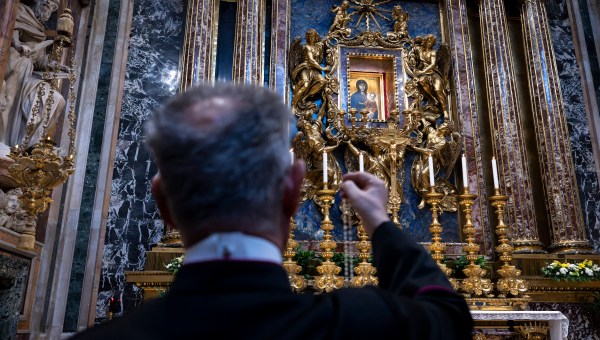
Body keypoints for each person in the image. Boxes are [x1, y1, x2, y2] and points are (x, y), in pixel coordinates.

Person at [72, 83, 472, 339]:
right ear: (294, 190)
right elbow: (447, 313)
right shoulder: (364, 326)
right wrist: (381, 223)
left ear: (163, 203)